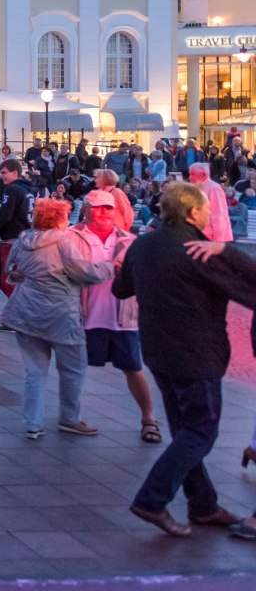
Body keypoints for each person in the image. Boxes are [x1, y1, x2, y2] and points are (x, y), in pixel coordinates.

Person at [114, 182, 256, 537]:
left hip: (158, 351)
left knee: (183, 429)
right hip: (197, 354)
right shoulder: (200, 250)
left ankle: (203, 505)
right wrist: (227, 251)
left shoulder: (143, 244)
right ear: (193, 212)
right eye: (207, 208)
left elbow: (121, 288)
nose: (211, 213)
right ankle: (152, 499)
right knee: (200, 431)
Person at [0, 197, 113, 439]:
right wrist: (109, 266)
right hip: (62, 315)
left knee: (34, 371)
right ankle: (69, 418)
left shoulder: (23, 240)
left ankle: (32, 424)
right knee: (73, 368)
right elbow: (86, 273)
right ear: (60, 220)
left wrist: (26, 276)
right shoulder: (63, 242)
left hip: (27, 312)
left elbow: (11, 269)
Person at [68, 190, 159, 443]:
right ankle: (69, 417)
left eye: (108, 208)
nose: (103, 212)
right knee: (74, 370)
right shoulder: (71, 237)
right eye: (97, 207)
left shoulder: (129, 240)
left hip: (123, 317)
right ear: (85, 209)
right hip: (83, 315)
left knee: (133, 368)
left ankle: (149, 419)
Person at [0, 159, 36, 319]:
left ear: (15, 172)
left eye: (4, 173)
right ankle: (19, 311)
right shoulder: (27, 189)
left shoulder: (13, 189)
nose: (1, 176)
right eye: (0, 173)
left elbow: (5, 215)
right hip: (16, 238)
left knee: (6, 278)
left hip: (13, 239)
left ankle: (20, 314)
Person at [187, 162, 232, 242]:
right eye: (190, 174)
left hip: (210, 236)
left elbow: (219, 214)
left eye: (193, 174)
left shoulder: (214, 188)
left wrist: (217, 239)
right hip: (197, 234)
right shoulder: (195, 187)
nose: (190, 177)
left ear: (203, 175)